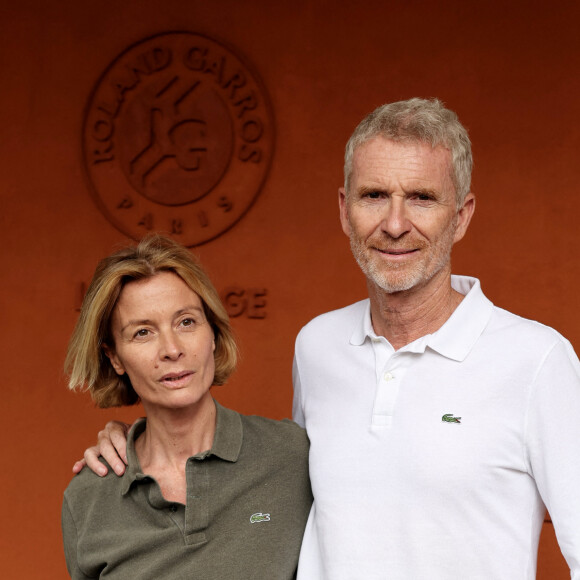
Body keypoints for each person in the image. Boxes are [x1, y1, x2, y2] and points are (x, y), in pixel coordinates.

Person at [77, 99, 580, 579]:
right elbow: (284, 484)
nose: (395, 223)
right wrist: (140, 440)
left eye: (422, 198)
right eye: (374, 196)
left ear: (462, 215)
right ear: (345, 210)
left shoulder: (537, 361)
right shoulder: (317, 346)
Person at [62, 234, 312, 579]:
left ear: (212, 333)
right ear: (114, 357)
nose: (171, 349)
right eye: (142, 333)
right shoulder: (89, 497)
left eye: (186, 322)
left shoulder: (294, 456)